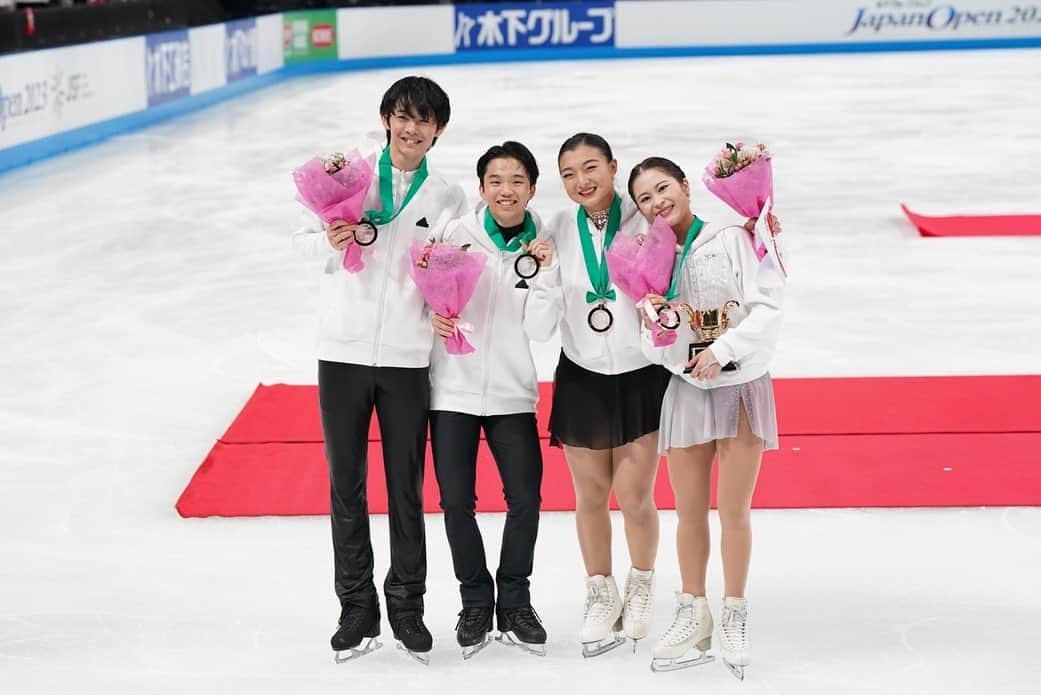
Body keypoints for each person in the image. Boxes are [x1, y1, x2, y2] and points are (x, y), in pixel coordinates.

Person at [291, 75, 467, 664]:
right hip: (341, 351)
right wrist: (326, 234)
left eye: (424, 120)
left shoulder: (446, 197)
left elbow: (452, 268)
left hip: (406, 359)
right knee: (346, 485)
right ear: (386, 118)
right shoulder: (352, 177)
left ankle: (407, 606)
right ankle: (355, 607)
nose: (411, 128)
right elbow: (298, 244)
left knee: (406, 489)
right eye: (402, 115)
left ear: (438, 129)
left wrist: (447, 307)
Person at [628, 156, 783, 679]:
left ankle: (734, 611)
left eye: (663, 188)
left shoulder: (732, 238)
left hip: (739, 387)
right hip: (690, 390)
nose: (657, 203)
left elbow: (767, 307)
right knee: (689, 512)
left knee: (733, 511)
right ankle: (694, 610)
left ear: (685, 186)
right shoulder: (649, 259)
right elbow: (647, 339)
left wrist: (725, 351)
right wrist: (678, 352)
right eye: (645, 199)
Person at [524, 133, 671, 657]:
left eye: (591, 168)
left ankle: (641, 583)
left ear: (613, 167)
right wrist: (541, 277)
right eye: (569, 174)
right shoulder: (557, 228)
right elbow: (539, 328)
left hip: (640, 377)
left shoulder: (647, 219)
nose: (581, 181)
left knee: (634, 497)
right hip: (583, 375)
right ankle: (600, 591)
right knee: (589, 497)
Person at [428, 140, 549, 659]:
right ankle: (475, 599)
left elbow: (542, 328)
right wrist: (430, 319)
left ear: (531, 189)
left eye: (517, 180)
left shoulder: (544, 243)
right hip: (452, 390)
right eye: (496, 180)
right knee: (457, 502)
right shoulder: (456, 236)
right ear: (481, 188)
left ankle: (515, 600)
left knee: (526, 500)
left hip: (512, 393)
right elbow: (425, 297)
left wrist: (540, 274)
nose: (506, 189)